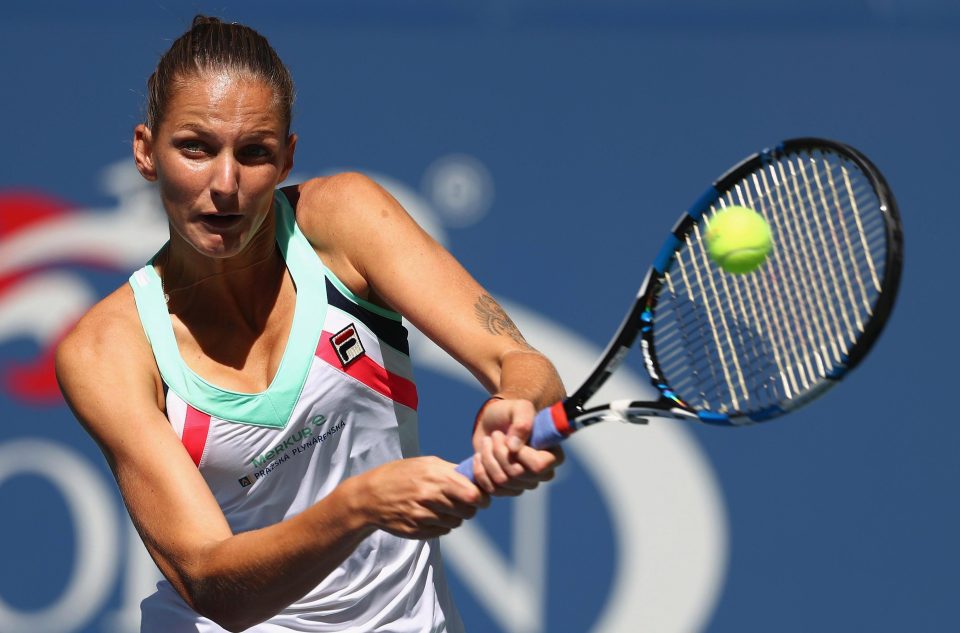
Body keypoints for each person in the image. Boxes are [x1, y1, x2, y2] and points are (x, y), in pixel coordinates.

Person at [55, 15, 565, 633]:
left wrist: (515, 404)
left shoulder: (344, 219)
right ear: (145, 152)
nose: (225, 184)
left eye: (254, 154)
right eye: (195, 147)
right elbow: (213, 583)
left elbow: (521, 363)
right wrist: (362, 505)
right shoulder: (107, 350)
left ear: (288, 158)